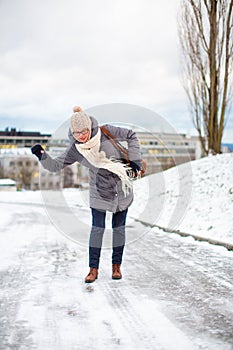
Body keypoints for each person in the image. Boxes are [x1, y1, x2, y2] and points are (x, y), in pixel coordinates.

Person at [31, 106, 143, 283]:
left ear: (90, 127)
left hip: (121, 188)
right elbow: (55, 166)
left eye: (84, 131)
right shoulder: (76, 149)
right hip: (99, 191)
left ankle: (116, 267)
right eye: (77, 133)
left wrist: (135, 161)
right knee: (97, 230)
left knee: (119, 229)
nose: (82, 135)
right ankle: (93, 269)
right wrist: (42, 155)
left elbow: (131, 135)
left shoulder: (106, 131)